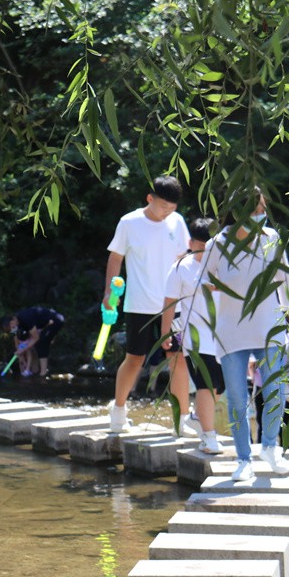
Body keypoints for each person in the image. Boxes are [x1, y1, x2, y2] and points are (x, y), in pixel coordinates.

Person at [203, 187, 289, 481]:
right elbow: (204, 282)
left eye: (262, 210)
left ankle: (270, 447)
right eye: (256, 210)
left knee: (275, 390)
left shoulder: (271, 238)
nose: (261, 215)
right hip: (231, 333)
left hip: (269, 328)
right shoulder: (217, 244)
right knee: (236, 398)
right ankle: (243, 459)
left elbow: (286, 281)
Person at [104, 175, 191, 431]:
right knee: (135, 359)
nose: (167, 212)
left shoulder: (177, 222)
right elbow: (115, 258)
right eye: (163, 206)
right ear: (150, 198)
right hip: (139, 304)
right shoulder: (129, 222)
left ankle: (182, 419)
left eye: (172, 208)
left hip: (173, 306)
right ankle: (118, 411)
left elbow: (185, 259)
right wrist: (109, 294)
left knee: (177, 359)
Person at [161, 217, 224, 454]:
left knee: (219, 386)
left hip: (224, 338)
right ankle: (209, 437)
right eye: (201, 246)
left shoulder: (225, 266)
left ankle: (198, 418)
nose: (206, 251)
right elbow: (169, 301)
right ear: (191, 243)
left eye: (211, 246)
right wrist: (165, 332)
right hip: (195, 338)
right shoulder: (181, 267)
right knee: (205, 385)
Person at [1, 306, 64, 378]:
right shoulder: (20, 323)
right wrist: (21, 350)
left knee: (41, 342)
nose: (11, 331)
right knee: (39, 343)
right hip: (47, 324)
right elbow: (29, 337)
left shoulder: (25, 318)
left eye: (10, 329)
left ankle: (43, 373)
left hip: (56, 320)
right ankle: (40, 371)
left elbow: (36, 338)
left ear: (12, 322)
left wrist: (22, 350)